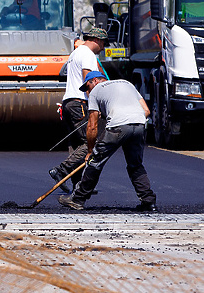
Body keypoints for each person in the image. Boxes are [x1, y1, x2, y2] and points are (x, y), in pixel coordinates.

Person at [57, 72, 156, 211]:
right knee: (136, 165)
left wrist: (90, 151)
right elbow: (146, 110)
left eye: (87, 87)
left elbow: (92, 125)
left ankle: (77, 199)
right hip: (139, 124)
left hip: (117, 127)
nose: (87, 92)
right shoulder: (126, 83)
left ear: (95, 81)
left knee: (95, 162)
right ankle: (149, 201)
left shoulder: (96, 91)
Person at [48, 27, 108, 192]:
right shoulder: (88, 54)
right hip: (79, 103)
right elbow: (88, 80)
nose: (103, 47)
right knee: (91, 142)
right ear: (97, 40)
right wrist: (96, 105)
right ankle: (61, 170)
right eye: (103, 43)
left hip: (68, 102)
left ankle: (77, 185)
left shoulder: (75, 53)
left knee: (75, 144)